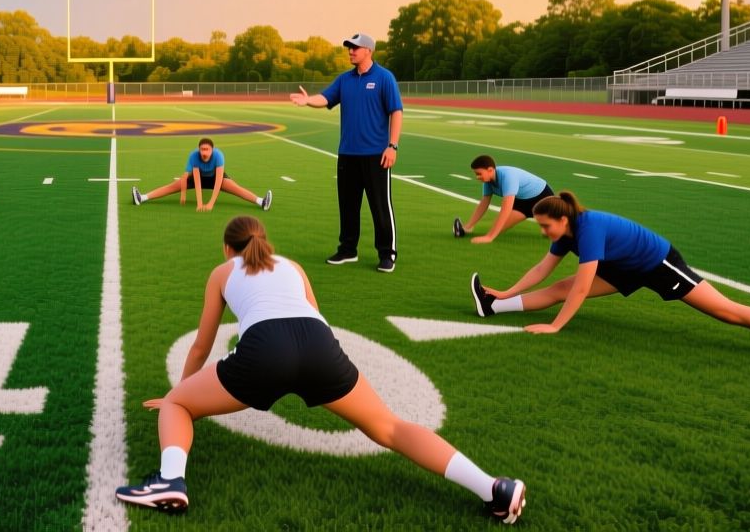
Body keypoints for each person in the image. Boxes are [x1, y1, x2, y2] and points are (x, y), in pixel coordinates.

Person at [115, 216, 526, 523]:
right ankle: (493, 487)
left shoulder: (222, 272)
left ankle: (171, 481)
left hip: (265, 350)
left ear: (228, 249)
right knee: (390, 428)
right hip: (318, 346)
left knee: (176, 406)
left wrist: (181, 397)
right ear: (263, 240)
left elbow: (203, 343)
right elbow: (314, 316)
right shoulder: (291, 266)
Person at [469, 191, 750, 372]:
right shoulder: (565, 234)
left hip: (657, 263)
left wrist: (555, 327)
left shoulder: (590, 228)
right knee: (556, 288)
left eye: (546, 225)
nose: (544, 231)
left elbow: (582, 287)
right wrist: (507, 290)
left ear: (563, 220)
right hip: (624, 264)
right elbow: (542, 271)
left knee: (727, 312)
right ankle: (492, 305)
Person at [289, 32, 403, 273]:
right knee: (348, 205)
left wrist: (392, 146)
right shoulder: (344, 80)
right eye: (349, 48)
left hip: (376, 155)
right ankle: (348, 249)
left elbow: (396, 112)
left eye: (355, 48)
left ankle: (387, 254)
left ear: (369, 51)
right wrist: (308, 100)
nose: (351, 51)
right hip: (348, 154)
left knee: (380, 206)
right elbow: (326, 98)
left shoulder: (384, 78)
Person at [132, 138, 273, 212]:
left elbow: (218, 182)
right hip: (197, 177)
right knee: (174, 186)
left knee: (236, 188)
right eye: (202, 149)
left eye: (207, 149)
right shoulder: (194, 156)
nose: (204, 152)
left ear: (213, 150)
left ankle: (262, 202)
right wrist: (200, 203)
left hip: (214, 178)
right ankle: (142, 197)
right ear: (198, 149)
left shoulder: (219, 156)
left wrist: (210, 203)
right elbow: (197, 182)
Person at [455, 155, 555, 244]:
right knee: (497, 228)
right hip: (522, 202)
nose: (477, 177)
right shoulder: (488, 182)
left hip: (542, 199)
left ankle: (552, 221)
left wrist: (489, 237)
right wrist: (468, 226)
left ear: (490, 170)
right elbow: (484, 204)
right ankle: (545, 223)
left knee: (551, 233)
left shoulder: (508, 176)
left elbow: (506, 209)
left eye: (479, 173)